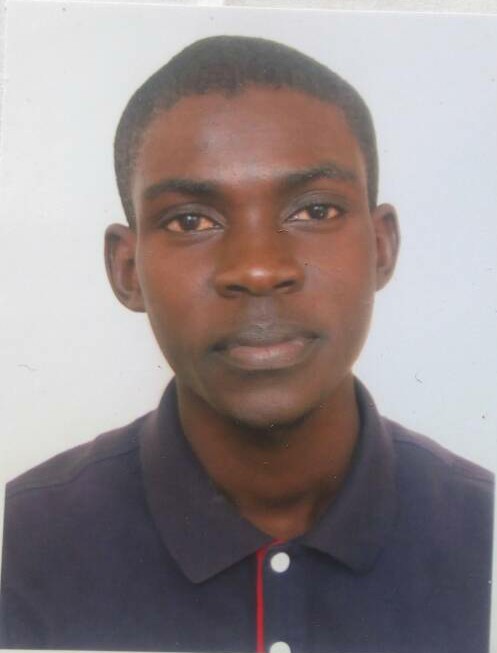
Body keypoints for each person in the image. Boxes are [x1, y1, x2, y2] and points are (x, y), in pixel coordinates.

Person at [0, 35, 493, 653]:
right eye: (190, 220)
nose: (258, 269)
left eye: (315, 211)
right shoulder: (20, 544)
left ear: (382, 247)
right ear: (127, 271)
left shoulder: (484, 531)